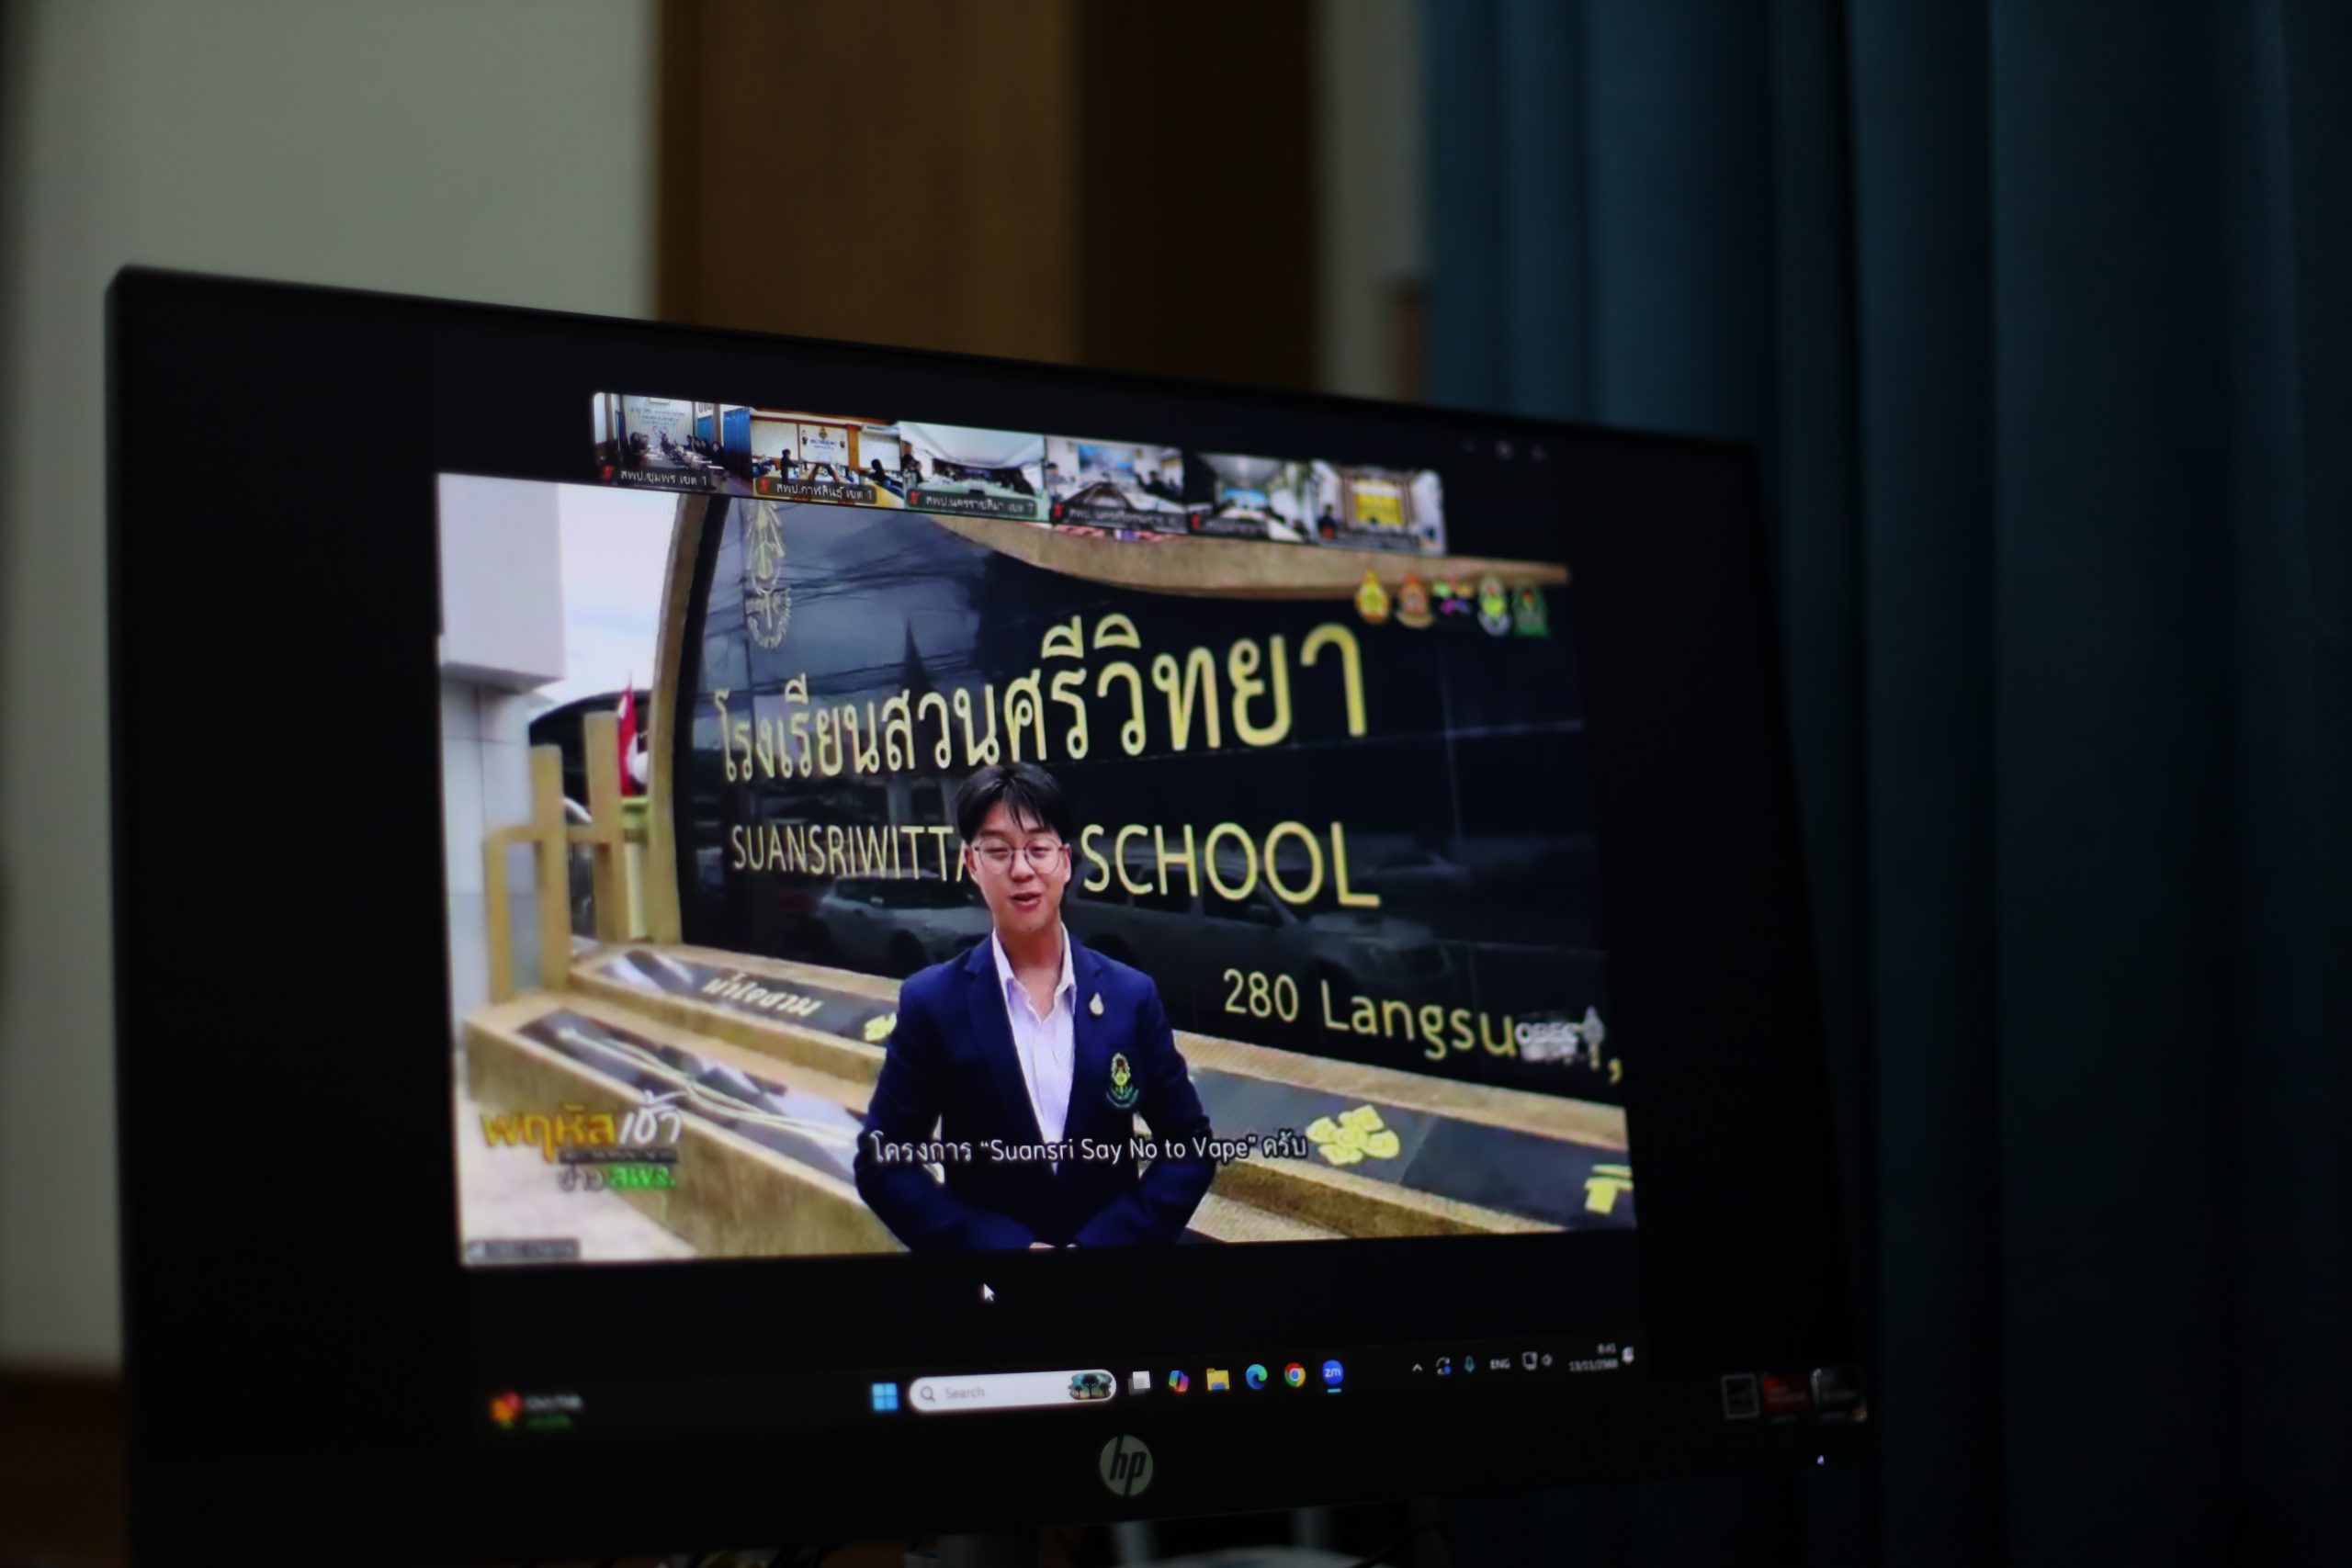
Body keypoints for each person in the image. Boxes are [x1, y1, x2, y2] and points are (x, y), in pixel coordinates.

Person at [854, 763, 1215, 1250]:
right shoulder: (933, 1003)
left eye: (1038, 849)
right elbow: (882, 1164)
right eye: (998, 851)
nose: (1021, 870)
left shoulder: (1131, 996)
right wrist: (1000, 1247)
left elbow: (1190, 1147)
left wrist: (1107, 1243)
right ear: (971, 864)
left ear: (1064, 861)